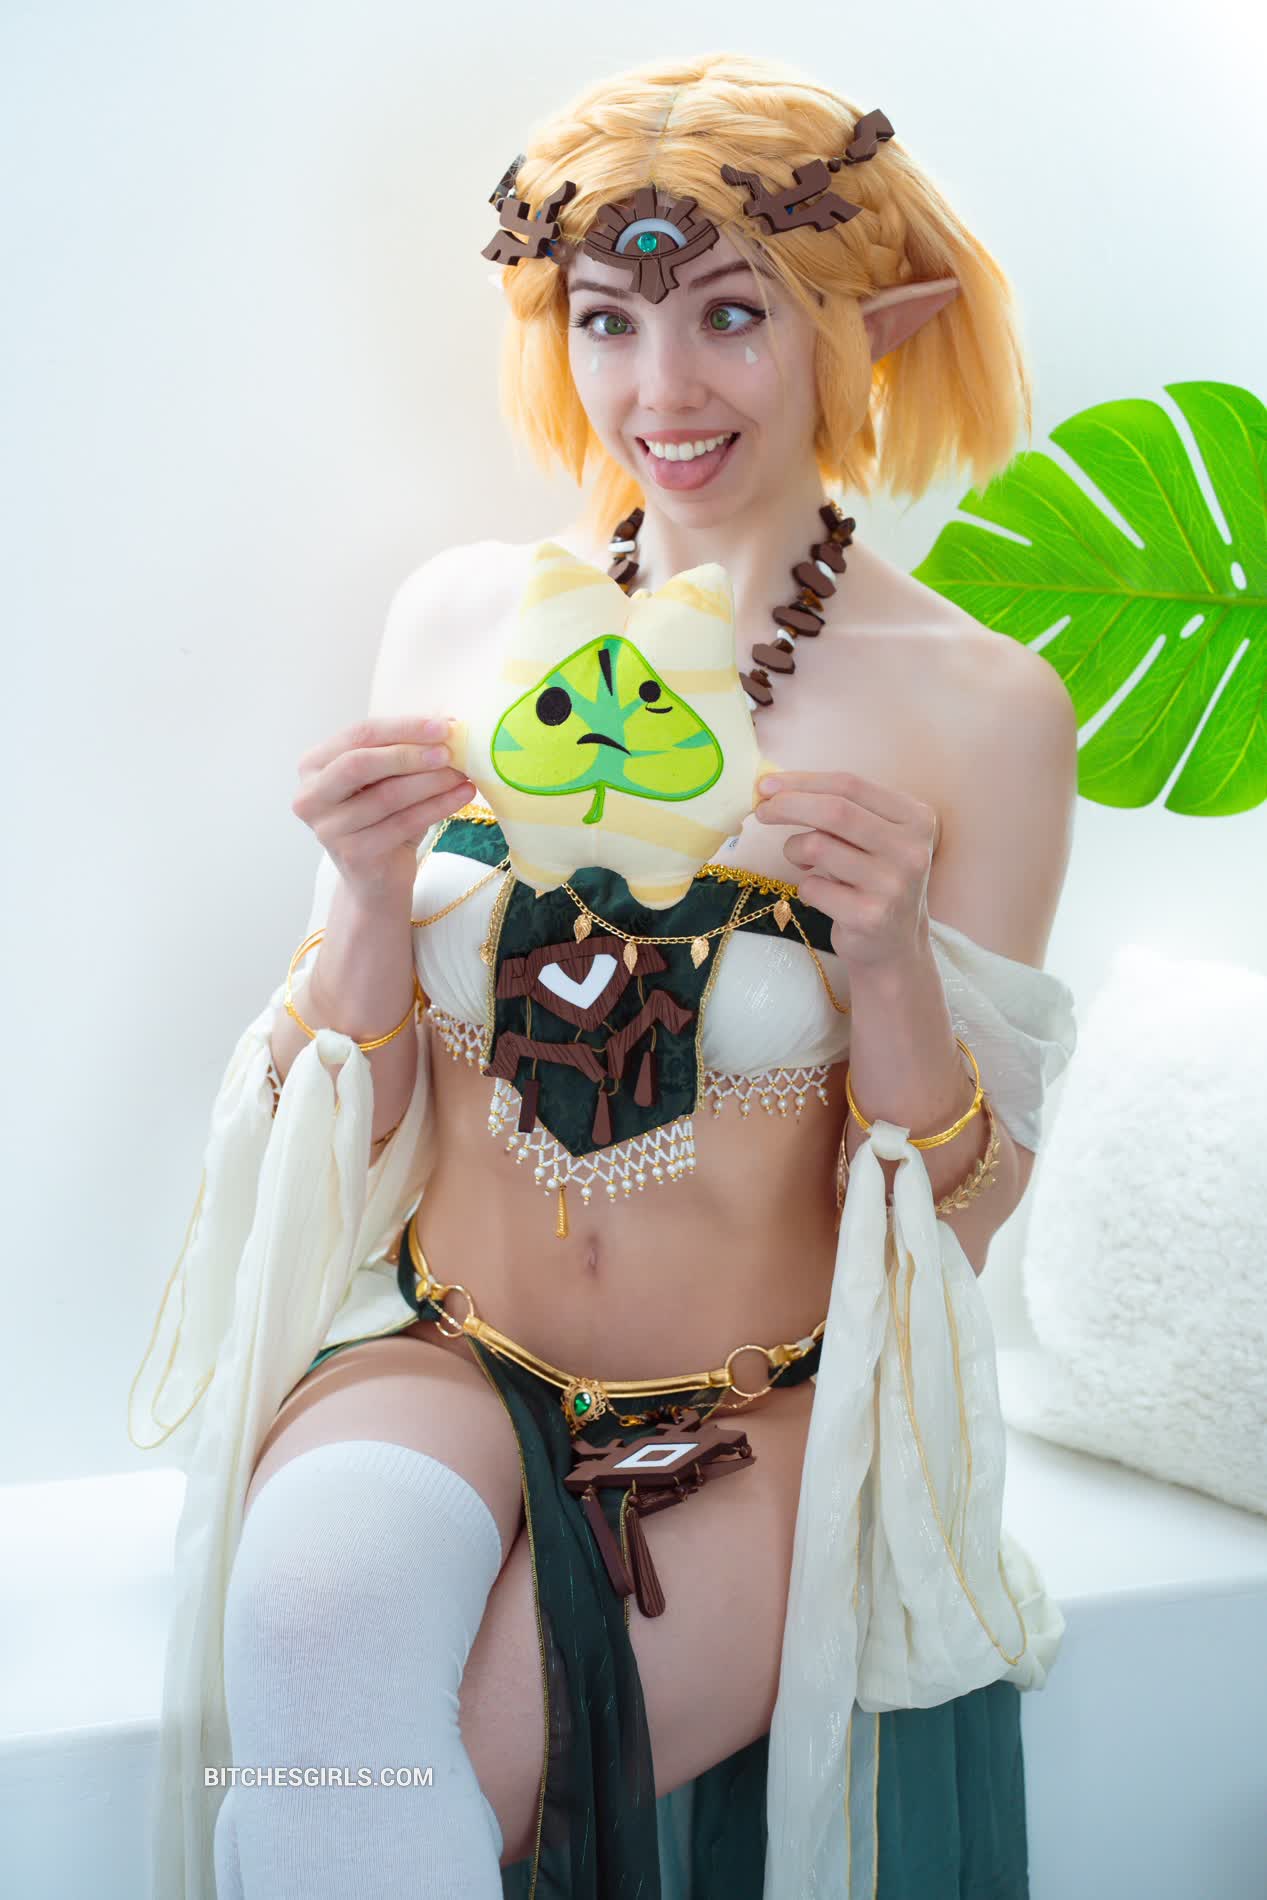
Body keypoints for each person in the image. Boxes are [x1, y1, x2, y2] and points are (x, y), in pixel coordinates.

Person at [128, 50, 1080, 1900]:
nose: (662, 393)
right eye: (607, 320)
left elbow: (966, 1217)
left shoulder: (981, 709)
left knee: (437, 1793)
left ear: (869, 331)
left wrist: (888, 965)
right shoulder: (466, 620)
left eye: (732, 315)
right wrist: (364, 895)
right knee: (313, 1655)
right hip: (445, 1346)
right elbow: (359, 1110)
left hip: (760, 1413)